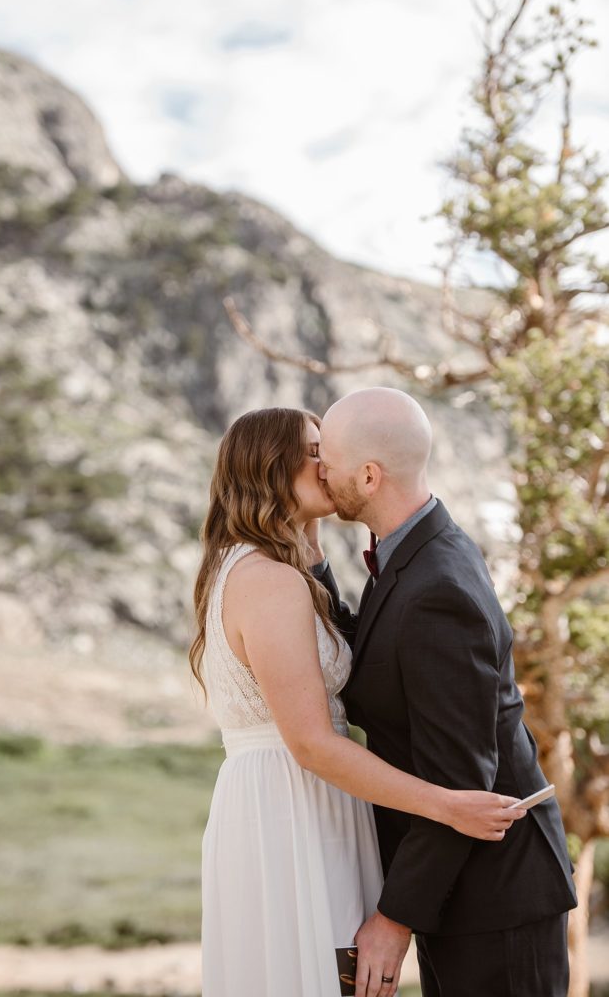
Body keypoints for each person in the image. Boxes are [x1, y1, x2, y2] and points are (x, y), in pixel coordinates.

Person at [190, 407, 526, 997]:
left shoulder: (271, 570)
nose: (327, 465)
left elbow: (355, 663)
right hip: (293, 809)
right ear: (273, 468)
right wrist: (445, 805)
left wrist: (312, 553)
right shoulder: (269, 581)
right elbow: (314, 743)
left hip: (305, 803)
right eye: (314, 451)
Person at [312, 387, 577, 997]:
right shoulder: (419, 551)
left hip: (497, 897)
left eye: (328, 459)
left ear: (370, 475)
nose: (320, 471)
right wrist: (311, 560)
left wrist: (393, 919)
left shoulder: (438, 588)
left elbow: (458, 774)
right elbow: (383, 659)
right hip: (469, 890)